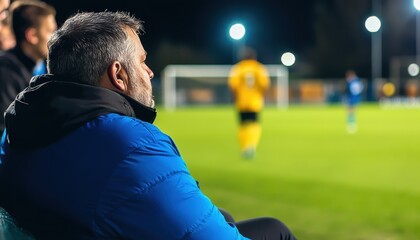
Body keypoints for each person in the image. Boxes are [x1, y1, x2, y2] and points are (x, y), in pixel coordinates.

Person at [0, 11, 297, 240]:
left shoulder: (19, 125)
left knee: (224, 215)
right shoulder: (130, 144)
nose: (150, 72)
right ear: (119, 74)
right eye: (142, 61)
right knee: (275, 229)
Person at [0, 0, 56, 134]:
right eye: (50, 31)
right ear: (32, 35)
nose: (55, 38)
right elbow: (5, 129)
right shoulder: (5, 72)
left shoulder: (41, 68)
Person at [228, 47, 271, 159]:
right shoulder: (259, 68)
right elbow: (265, 84)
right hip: (254, 101)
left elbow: (233, 85)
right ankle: (251, 146)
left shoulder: (238, 68)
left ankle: (244, 147)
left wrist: (235, 98)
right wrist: (261, 96)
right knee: (254, 124)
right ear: (254, 57)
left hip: (241, 102)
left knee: (242, 125)